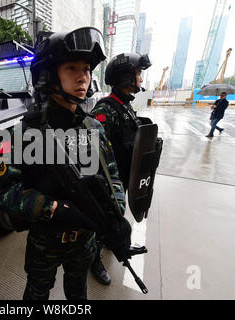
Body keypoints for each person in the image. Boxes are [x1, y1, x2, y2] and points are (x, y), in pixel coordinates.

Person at [0, 27, 132, 300]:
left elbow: (112, 177)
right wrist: (52, 208)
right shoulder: (22, 134)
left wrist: (116, 216)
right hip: (46, 242)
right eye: (71, 68)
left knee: (78, 293)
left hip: (86, 240)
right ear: (49, 76)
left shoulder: (93, 128)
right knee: (37, 293)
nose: (83, 77)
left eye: (87, 69)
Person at [90, 52, 152, 285]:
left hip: (124, 178)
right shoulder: (105, 110)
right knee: (101, 222)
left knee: (116, 218)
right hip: (107, 183)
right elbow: (94, 155)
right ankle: (94, 261)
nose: (141, 79)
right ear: (125, 77)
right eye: (137, 74)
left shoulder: (124, 107)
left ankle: (109, 241)